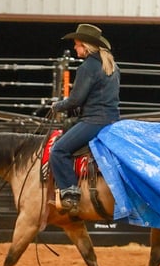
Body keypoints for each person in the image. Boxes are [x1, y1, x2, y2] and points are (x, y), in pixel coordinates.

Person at [49, 24, 120, 215]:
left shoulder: (87, 67)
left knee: (58, 150)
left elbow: (76, 100)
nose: (75, 48)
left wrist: (57, 106)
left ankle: (70, 194)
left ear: (86, 46)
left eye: (77, 44)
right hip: (112, 120)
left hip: (93, 122)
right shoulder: (112, 66)